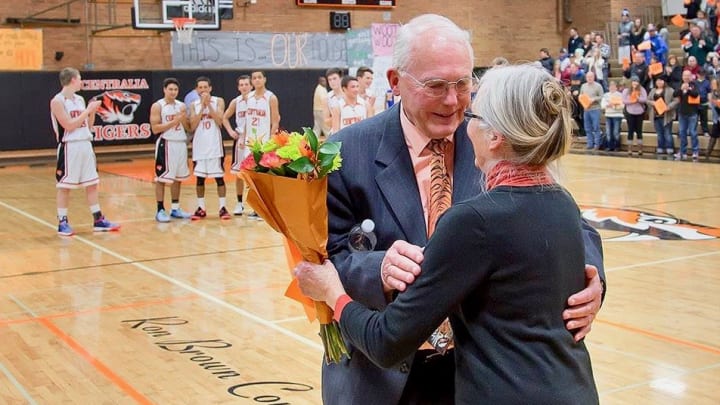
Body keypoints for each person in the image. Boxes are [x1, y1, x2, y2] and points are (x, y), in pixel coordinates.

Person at [316, 14, 605, 405]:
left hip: (476, 374)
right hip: (382, 377)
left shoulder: (495, 137)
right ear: (396, 82)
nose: (453, 101)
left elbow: (569, 220)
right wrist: (377, 268)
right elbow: (324, 252)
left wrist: (591, 279)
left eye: (463, 83)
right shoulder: (347, 151)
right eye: (435, 86)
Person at [50, 67, 120, 236]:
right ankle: (62, 222)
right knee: (65, 186)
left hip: (85, 145)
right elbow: (68, 125)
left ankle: (98, 219)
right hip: (69, 146)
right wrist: (88, 111)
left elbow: (87, 126)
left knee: (92, 183)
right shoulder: (57, 101)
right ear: (73, 80)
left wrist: (92, 112)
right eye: (80, 78)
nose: (81, 81)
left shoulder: (80, 99)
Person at [150, 77, 193, 222]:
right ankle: (160, 209)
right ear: (164, 90)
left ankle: (175, 208)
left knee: (178, 178)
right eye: (170, 89)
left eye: (175, 89)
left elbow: (188, 128)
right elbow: (155, 128)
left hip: (180, 143)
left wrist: (183, 119)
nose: (173, 92)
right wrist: (173, 121)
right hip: (166, 144)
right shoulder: (158, 106)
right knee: (161, 178)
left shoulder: (181, 106)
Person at [188, 76, 230, 220]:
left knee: (219, 177)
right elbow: (192, 126)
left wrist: (209, 106)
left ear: (210, 88)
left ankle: (222, 208)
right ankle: (201, 208)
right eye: (200, 87)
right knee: (200, 179)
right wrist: (202, 107)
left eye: (205, 87)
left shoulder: (218, 101)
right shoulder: (193, 104)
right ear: (196, 89)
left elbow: (219, 121)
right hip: (199, 146)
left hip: (214, 145)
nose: (203, 90)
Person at [245, 70, 280, 220]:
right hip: (250, 141)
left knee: (265, 177)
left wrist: (272, 141)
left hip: (264, 141)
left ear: (264, 79)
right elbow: (247, 120)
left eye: (260, 77)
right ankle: (256, 208)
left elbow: (275, 120)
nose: (257, 80)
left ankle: (268, 209)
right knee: (252, 177)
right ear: (252, 81)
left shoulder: (271, 97)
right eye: (254, 78)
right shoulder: (249, 97)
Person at [222, 75, 254, 216]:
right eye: (241, 85)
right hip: (240, 140)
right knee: (238, 173)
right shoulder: (236, 102)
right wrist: (230, 131)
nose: (244, 87)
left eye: (246, 84)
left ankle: (256, 206)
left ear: (251, 86)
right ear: (238, 87)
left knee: (255, 174)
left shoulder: (257, 100)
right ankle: (239, 203)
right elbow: (224, 117)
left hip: (254, 140)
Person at [647, 75, 679, 156]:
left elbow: (676, 100)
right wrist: (652, 103)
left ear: (664, 82)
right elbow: (647, 100)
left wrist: (669, 107)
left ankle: (670, 148)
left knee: (667, 133)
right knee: (659, 133)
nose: (659, 82)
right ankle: (660, 147)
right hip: (656, 115)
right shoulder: (653, 90)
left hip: (666, 115)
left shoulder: (670, 90)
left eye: (661, 80)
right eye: (657, 81)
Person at [622, 75, 648, 156]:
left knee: (639, 131)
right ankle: (630, 148)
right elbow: (624, 100)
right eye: (633, 81)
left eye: (636, 81)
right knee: (630, 130)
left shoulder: (642, 89)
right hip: (630, 112)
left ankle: (640, 148)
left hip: (639, 112)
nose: (635, 83)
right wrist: (632, 100)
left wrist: (638, 99)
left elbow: (645, 99)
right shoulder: (626, 90)